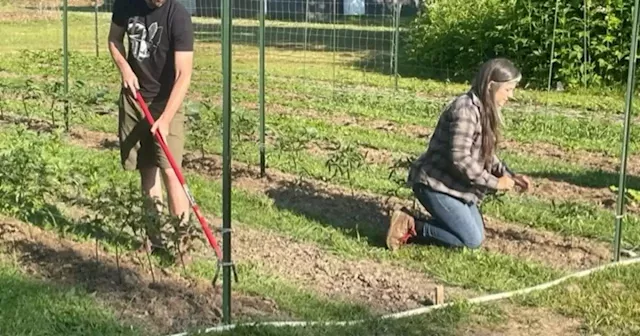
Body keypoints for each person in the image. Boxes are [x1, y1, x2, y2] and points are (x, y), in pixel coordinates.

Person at [386, 58, 532, 251]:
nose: (511, 95)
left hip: (456, 187)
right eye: (508, 89)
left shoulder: (484, 110)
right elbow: (460, 158)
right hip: (435, 185)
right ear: (490, 86)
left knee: (476, 236)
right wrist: (496, 183)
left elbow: (486, 155)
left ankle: (430, 223)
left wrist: (510, 175)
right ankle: (411, 225)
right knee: (471, 241)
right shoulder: (465, 110)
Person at [108, 0, 194, 252]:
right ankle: (154, 239)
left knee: (170, 171)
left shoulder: (177, 16)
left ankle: (183, 245)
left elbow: (183, 75)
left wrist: (165, 119)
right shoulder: (125, 4)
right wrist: (124, 67)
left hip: (167, 102)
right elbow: (114, 39)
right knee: (147, 168)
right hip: (135, 99)